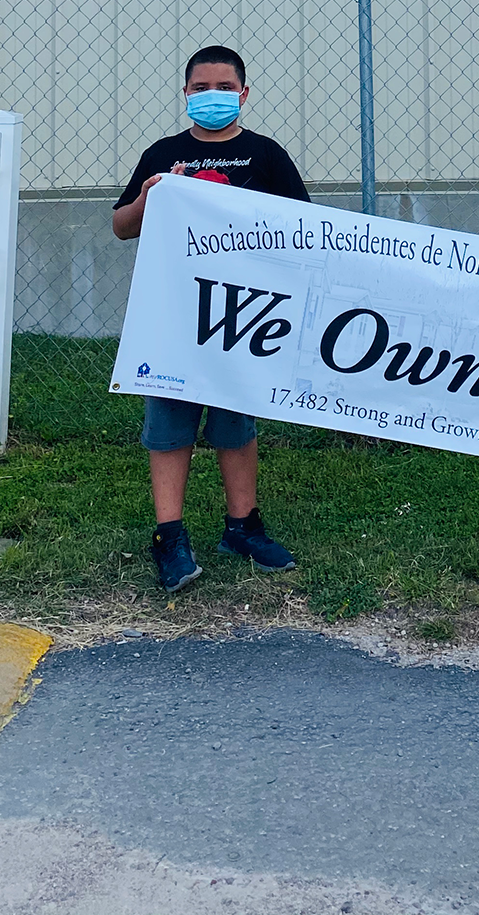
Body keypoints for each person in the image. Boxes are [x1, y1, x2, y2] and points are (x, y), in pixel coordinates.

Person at [113, 44, 308, 592]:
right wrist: (151, 198)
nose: (212, 97)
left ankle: (242, 526)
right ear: (185, 95)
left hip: (242, 313)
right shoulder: (163, 154)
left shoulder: (266, 156)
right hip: (174, 310)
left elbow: (302, 224)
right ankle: (169, 537)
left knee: (234, 420)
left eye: (224, 88)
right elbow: (121, 226)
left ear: (244, 95)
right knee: (170, 422)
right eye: (201, 88)